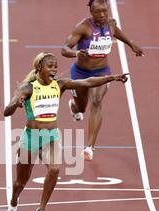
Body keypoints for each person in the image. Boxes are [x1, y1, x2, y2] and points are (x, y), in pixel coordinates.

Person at [4, 52, 128, 211]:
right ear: (39, 68)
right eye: (50, 66)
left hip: (51, 135)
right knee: (20, 181)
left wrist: (113, 78)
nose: (54, 69)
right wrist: (16, 104)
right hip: (31, 136)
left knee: (54, 169)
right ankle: (14, 201)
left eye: (55, 66)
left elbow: (87, 82)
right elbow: (6, 112)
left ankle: (41, 210)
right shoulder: (28, 88)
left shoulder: (60, 85)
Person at [61, 0, 143, 161]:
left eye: (105, 11)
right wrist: (76, 54)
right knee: (82, 108)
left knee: (97, 101)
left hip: (102, 72)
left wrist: (132, 44)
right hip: (80, 73)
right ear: (91, 12)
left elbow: (117, 32)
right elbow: (65, 49)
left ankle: (89, 147)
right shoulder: (83, 27)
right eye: (98, 12)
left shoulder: (110, 24)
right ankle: (74, 106)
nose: (103, 14)